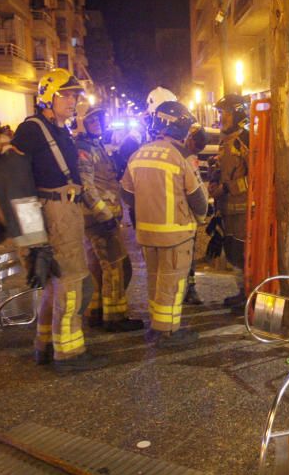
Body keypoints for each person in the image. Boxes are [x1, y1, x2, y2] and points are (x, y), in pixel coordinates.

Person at [11, 68, 105, 372]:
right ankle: (69, 352)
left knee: (56, 284)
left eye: (74, 95)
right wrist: (31, 238)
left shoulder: (59, 129)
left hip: (65, 212)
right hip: (54, 213)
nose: (72, 100)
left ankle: (46, 344)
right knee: (71, 281)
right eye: (66, 95)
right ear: (47, 97)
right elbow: (14, 182)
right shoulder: (31, 130)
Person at [121, 101, 208, 347]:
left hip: (147, 234)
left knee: (154, 279)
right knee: (172, 283)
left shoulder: (138, 154)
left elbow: (126, 193)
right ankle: (168, 331)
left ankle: (156, 326)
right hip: (176, 235)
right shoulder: (179, 158)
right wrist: (199, 218)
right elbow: (198, 200)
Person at [76, 106, 142, 333]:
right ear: (83, 122)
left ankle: (96, 311)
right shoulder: (84, 148)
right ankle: (115, 316)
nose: (99, 124)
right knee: (116, 266)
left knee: (97, 267)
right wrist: (103, 214)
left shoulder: (95, 146)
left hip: (99, 216)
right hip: (99, 219)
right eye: (93, 120)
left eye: (101, 120)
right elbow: (86, 185)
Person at [211, 93, 250, 307]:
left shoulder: (245, 140)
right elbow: (224, 169)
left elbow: (257, 176)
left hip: (244, 209)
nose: (221, 118)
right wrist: (214, 179)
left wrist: (228, 187)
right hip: (228, 209)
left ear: (237, 114)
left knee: (244, 253)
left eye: (225, 113)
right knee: (233, 252)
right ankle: (241, 292)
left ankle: (249, 295)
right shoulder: (225, 140)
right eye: (220, 113)